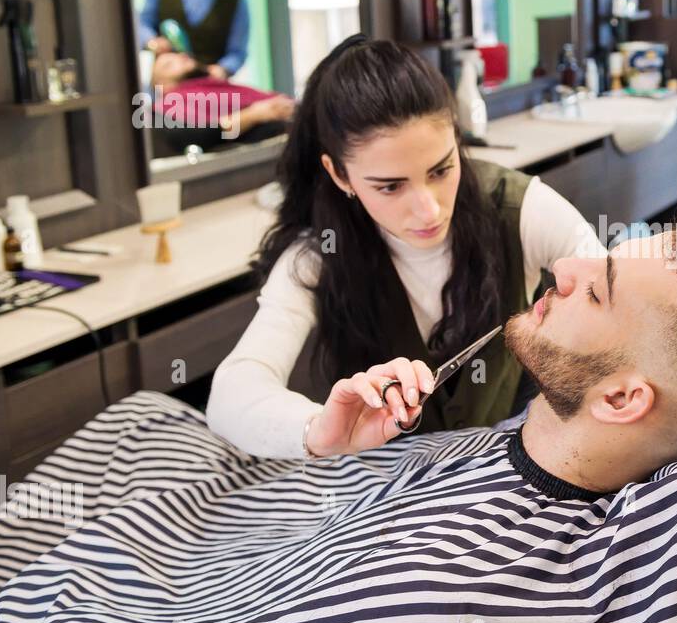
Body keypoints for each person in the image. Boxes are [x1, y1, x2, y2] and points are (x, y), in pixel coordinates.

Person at [0, 219, 677, 623]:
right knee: (147, 420)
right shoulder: (542, 444)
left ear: (621, 397)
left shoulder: (450, 593)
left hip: (106, 618)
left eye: (599, 286)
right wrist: (338, 455)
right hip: (248, 534)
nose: (570, 269)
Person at [206, 36, 605, 458]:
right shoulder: (319, 254)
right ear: (339, 175)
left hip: (509, 464)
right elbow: (233, 392)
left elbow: (619, 301)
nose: (428, 210)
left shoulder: (521, 208)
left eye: (441, 169)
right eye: (391, 187)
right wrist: (315, 430)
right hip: (390, 494)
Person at [147, 49, 295, 151]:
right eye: (168, 65)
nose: (181, 56)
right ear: (163, 87)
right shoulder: (166, 108)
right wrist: (256, 113)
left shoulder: (215, 86)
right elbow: (197, 135)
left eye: (176, 55)